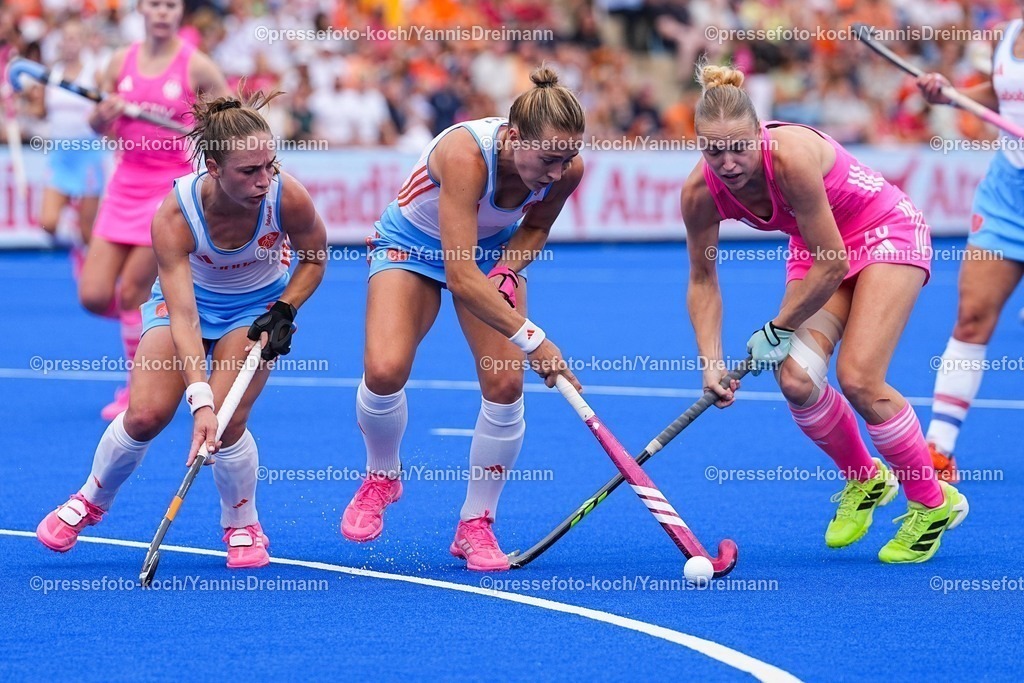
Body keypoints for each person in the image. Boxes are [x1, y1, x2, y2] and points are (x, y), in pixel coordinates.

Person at [681, 59, 968, 564]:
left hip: (884, 231)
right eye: (713, 150)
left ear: (759, 135)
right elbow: (703, 281)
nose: (727, 163)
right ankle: (866, 479)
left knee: (859, 378)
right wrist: (711, 362)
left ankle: (932, 503)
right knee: (795, 380)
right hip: (817, 246)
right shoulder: (700, 194)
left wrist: (778, 327)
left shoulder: (790, 159)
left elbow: (834, 263)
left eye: (739, 147)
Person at [36, 89, 328, 569]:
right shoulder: (175, 214)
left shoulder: (286, 195)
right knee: (146, 414)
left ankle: (242, 524)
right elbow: (184, 316)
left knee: (228, 422)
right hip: (185, 306)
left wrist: (285, 309)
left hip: (254, 309)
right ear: (213, 168)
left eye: (269, 165)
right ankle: (91, 499)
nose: (264, 180)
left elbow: (314, 258)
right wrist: (199, 400)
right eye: (248, 171)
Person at [340, 66, 584, 571]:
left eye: (566, 159)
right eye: (548, 159)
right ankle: (382, 476)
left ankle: (476, 524)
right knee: (384, 370)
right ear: (513, 137)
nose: (557, 172)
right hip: (411, 246)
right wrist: (535, 340)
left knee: (505, 385)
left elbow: (535, 228)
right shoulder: (465, 155)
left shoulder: (568, 170)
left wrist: (509, 270)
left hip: (491, 252)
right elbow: (460, 273)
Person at [81, 0, 228, 419]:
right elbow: (100, 125)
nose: (162, 12)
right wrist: (101, 118)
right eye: (154, 4)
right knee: (94, 295)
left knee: (132, 291)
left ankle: (138, 385)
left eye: (170, 5)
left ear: (179, 12)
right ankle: (168, 324)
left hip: (167, 193)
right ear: (141, 10)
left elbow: (232, 123)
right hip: (124, 187)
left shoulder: (197, 66)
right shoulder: (118, 62)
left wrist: (210, 133)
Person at [916, 14, 1024, 483]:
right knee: (971, 317)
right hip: (1006, 198)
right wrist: (952, 95)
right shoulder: (1009, 32)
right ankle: (939, 450)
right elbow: (1003, 95)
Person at [23, 18, 106, 273]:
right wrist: (19, 103)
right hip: (60, 156)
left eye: (74, 38)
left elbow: (106, 110)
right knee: (47, 222)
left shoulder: (95, 74)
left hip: (88, 155)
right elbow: (40, 111)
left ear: (83, 42)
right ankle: (72, 228)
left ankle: (86, 263)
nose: (70, 43)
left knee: (88, 233)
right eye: (66, 38)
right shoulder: (51, 74)